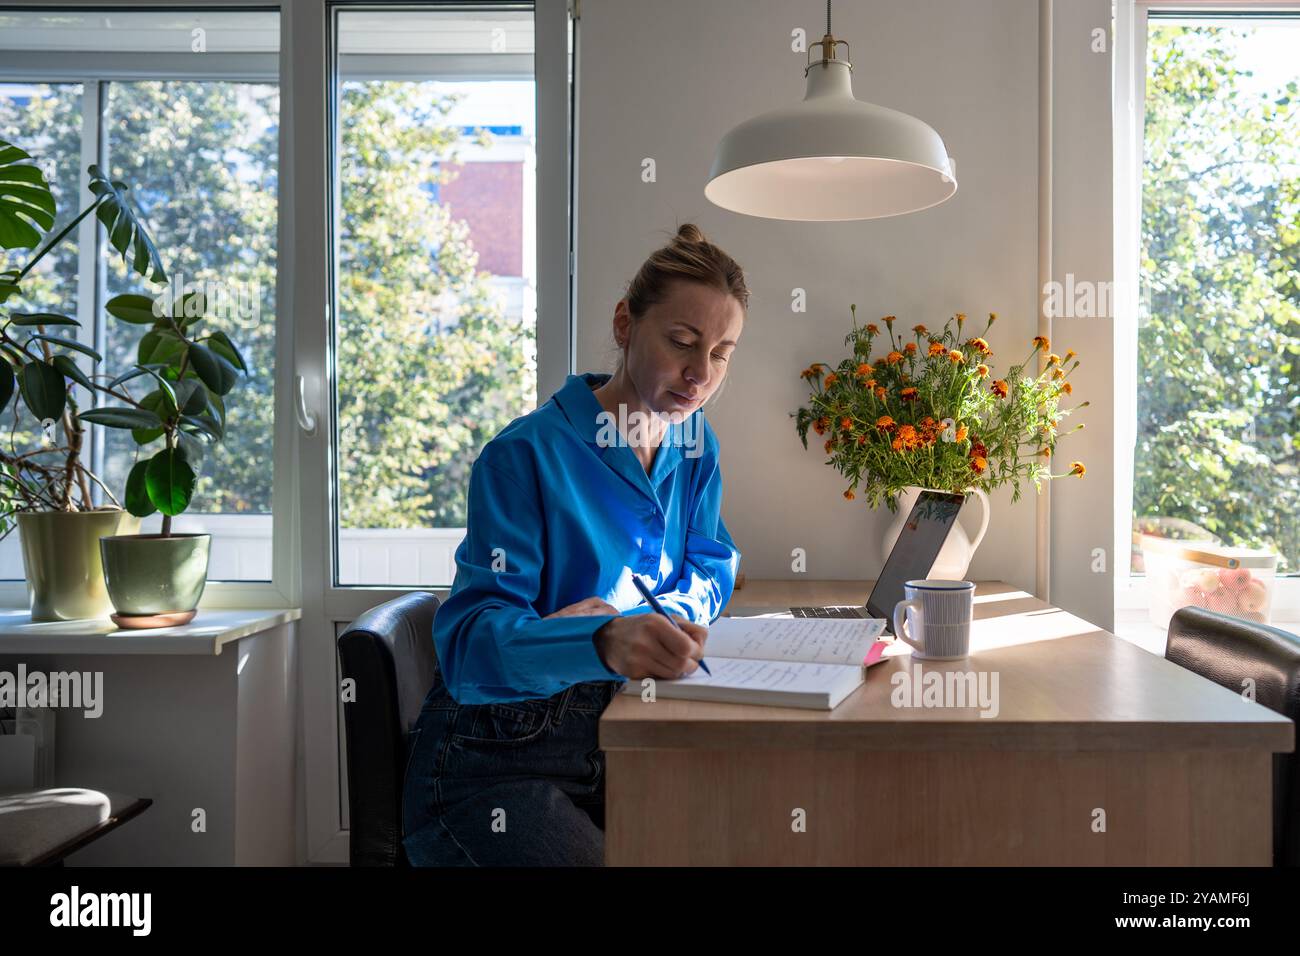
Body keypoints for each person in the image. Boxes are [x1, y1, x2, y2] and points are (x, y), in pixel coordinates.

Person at [401, 222, 748, 866]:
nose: (700, 374)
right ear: (624, 324)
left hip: (618, 741)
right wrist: (602, 640)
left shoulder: (695, 445)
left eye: (722, 353)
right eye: (682, 342)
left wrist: (672, 616)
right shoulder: (523, 456)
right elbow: (473, 647)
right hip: (494, 767)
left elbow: (713, 562)